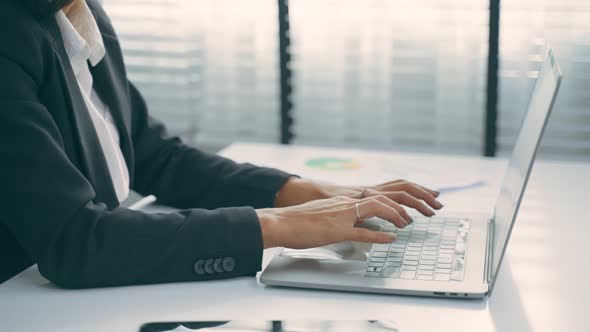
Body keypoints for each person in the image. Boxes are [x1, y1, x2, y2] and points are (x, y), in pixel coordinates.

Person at [0, 0, 443, 288]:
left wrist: (314, 193)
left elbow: (157, 157)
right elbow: (75, 243)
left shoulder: (78, 13)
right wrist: (281, 225)